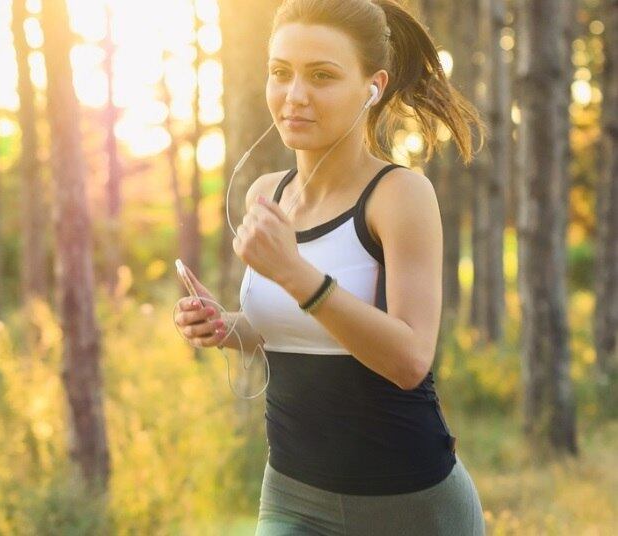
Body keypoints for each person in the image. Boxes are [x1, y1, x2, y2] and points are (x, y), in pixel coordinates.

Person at [174, 0, 487, 533]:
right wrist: (227, 327)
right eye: (281, 73)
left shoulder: (398, 195)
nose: (295, 96)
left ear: (374, 85)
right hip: (293, 497)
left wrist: (296, 274)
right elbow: (298, 330)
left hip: (412, 505)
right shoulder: (265, 194)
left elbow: (410, 359)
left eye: (322, 76)